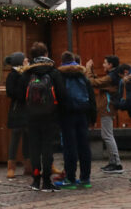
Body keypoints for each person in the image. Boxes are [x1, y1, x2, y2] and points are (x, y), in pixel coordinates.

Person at [21, 42, 65, 193]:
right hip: (50, 116)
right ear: (46, 54)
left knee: (34, 148)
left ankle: (35, 180)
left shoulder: (27, 73)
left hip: (31, 116)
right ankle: (47, 181)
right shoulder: (53, 72)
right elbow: (62, 94)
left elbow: (20, 95)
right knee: (47, 149)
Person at [54, 52, 96, 189]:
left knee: (69, 147)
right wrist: (93, 118)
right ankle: (85, 178)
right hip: (83, 114)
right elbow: (91, 97)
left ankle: (70, 179)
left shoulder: (60, 76)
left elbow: (59, 97)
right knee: (84, 147)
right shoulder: (82, 75)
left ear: (62, 62)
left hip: (67, 115)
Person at [85, 54, 123, 173]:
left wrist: (87, 69)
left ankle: (116, 164)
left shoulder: (111, 77)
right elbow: (98, 81)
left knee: (107, 136)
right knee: (107, 135)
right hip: (107, 108)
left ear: (110, 65)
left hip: (107, 109)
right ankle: (113, 162)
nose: (103, 65)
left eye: (105, 63)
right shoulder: (112, 76)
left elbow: (93, 82)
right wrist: (91, 70)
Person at [5, 52, 30, 179]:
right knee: (15, 138)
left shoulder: (26, 73)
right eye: (25, 59)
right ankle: (11, 167)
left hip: (27, 110)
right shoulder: (13, 75)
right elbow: (14, 93)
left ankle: (28, 166)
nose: (27, 61)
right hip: (17, 110)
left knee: (27, 138)